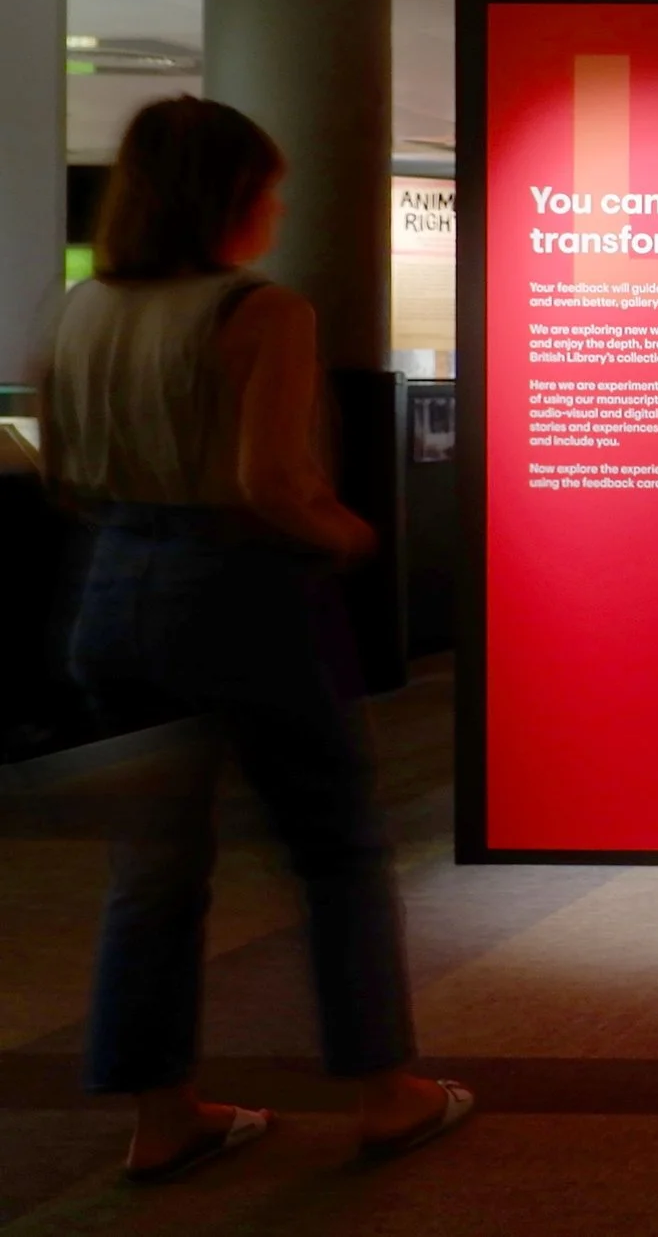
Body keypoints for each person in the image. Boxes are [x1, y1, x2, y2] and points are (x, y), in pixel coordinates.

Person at [39, 98, 471, 1182]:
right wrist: (352, 532)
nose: (279, 204)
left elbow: (64, 473)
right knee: (337, 850)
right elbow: (269, 481)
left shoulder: (83, 306)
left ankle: (162, 1113)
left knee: (152, 874)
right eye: (268, 185)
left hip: (110, 590)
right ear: (231, 196)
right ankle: (385, 1089)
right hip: (235, 592)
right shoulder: (260, 309)